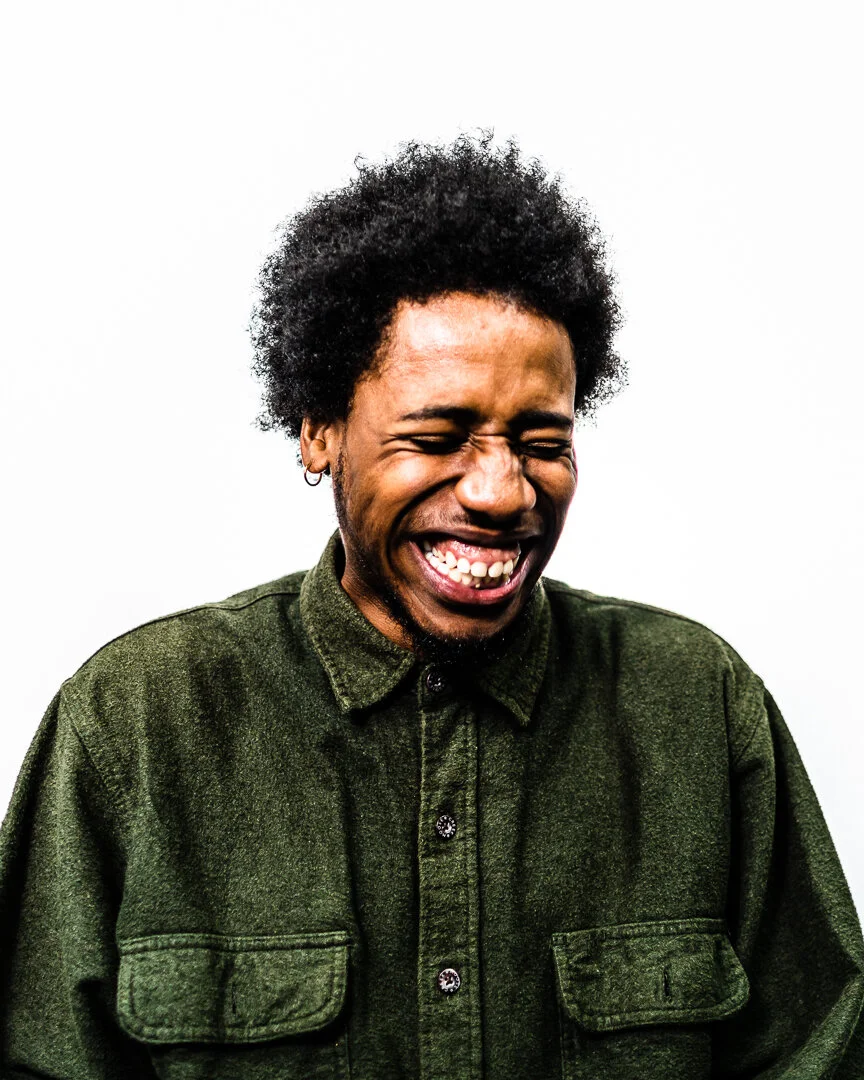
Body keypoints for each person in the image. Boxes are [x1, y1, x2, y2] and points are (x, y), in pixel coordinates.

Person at [1, 136, 861, 1079]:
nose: (501, 491)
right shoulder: (134, 723)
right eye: (438, 436)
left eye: (542, 442)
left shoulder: (698, 706)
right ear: (320, 431)